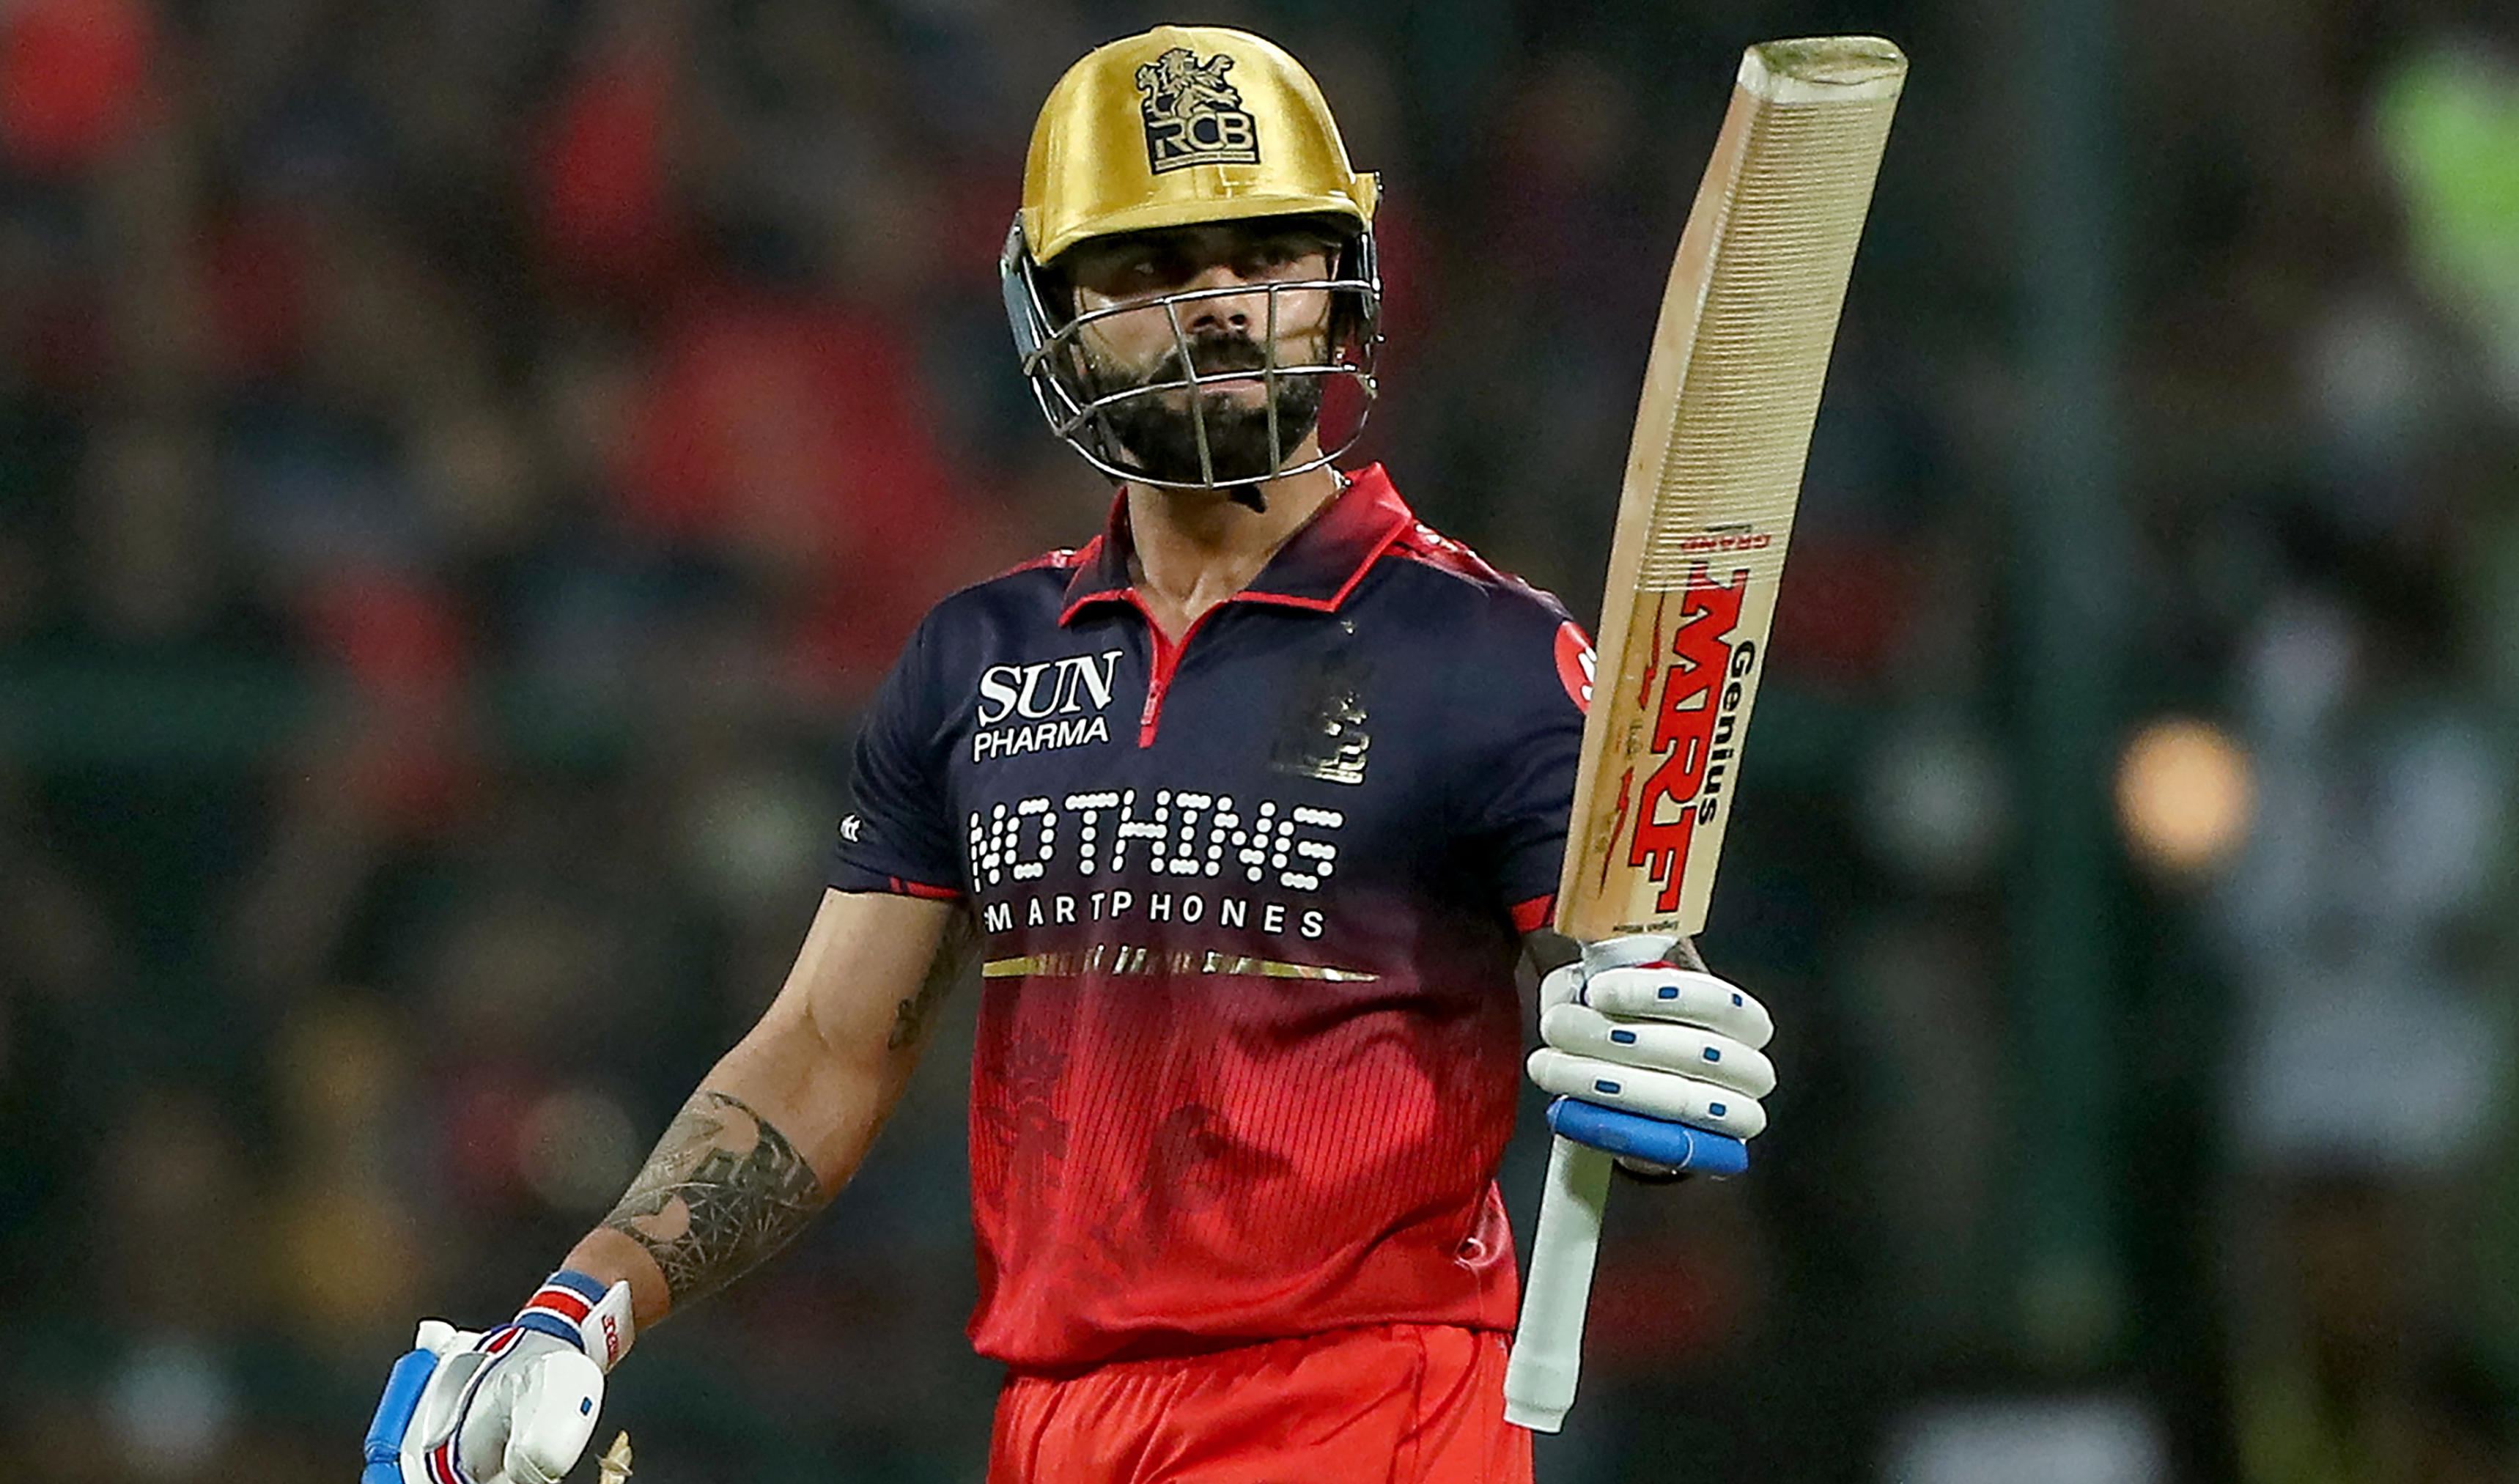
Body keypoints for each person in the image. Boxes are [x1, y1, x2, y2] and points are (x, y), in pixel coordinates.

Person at [360, 24, 1777, 1484]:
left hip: (1369, 1416)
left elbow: (1614, 978)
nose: (1221, 306)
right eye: (1155, 270)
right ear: (1054, 310)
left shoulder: (1488, 655)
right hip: (1056, 1427)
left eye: (1263, 256)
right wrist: (580, 1304)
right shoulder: (980, 659)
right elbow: (825, 1051)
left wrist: (1650, 1044)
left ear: (1336, 284)